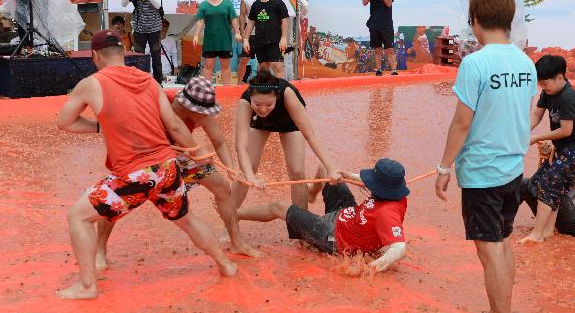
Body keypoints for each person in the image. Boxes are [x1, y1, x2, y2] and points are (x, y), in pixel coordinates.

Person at [55, 30, 237, 300]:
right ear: (123, 52)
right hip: (167, 166)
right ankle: (226, 264)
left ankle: (87, 286)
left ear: (95, 56)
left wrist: (99, 127)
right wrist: (198, 154)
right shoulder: (149, 80)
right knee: (187, 220)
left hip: (135, 173)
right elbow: (174, 125)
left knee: (78, 216)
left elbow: (65, 123)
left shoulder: (91, 83)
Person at [434, 0, 537, 313]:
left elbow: (462, 122)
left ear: (475, 21)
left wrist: (444, 167)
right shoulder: (525, 63)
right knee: (502, 243)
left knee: (490, 249)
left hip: (483, 173)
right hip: (512, 170)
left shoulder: (475, 63)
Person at [95, 75, 260, 269]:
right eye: (203, 112)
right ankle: (100, 250)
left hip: (183, 154)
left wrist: (231, 168)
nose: (207, 116)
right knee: (113, 199)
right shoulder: (157, 104)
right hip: (142, 156)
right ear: (189, 107)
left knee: (223, 188)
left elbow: (220, 142)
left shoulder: (202, 114)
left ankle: (236, 242)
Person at [238, 160, 409, 274]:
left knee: (278, 207)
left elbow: (399, 248)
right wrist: (348, 176)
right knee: (327, 170)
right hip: (346, 215)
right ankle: (312, 193)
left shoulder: (387, 213)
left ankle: (235, 214)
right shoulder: (394, 193)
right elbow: (372, 183)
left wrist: (371, 268)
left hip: (333, 237)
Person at [231, 69, 342, 211]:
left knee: (296, 172)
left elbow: (310, 136)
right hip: (260, 123)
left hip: (288, 120)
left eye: (269, 104)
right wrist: (250, 176)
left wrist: (331, 168)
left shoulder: (287, 94)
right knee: (246, 170)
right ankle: (229, 222)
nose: (263, 109)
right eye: (257, 104)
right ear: (251, 97)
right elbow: (240, 146)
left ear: (277, 97)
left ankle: (301, 225)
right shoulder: (245, 102)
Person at [520, 54, 575, 244]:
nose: (543, 88)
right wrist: (522, 132)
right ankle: (548, 230)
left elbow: (566, 130)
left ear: (560, 77)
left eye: (545, 83)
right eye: (541, 85)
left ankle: (537, 234)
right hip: (564, 149)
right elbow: (536, 114)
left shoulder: (568, 97)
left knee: (549, 184)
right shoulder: (549, 92)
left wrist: (537, 137)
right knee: (537, 181)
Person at [194, 0, 241, 85]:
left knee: (225, 66)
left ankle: (226, 89)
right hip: (210, 41)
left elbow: (234, 19)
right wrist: (196, 35)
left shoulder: (228, 3)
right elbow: (200, 21)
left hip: (224, 40)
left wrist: (237, 32)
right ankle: (207, 90)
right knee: (208, 66)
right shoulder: (204, 5)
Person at [122, 0, 164, 83]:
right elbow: (123, 4)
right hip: (139, 29)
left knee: (156, 57)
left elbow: (158, 5)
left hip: (154, 28)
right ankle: (140, 82)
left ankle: (158, 83)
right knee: (139, 58)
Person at [242, 0, 289, 79]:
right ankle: (265, 91)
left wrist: (284, 38)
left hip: (275, 41)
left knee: (277, 65)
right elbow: (250, 23)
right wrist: (245, 40)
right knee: (263, 67)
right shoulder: (256, 5)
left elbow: (285, 20)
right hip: (260, 41)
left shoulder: (278, 2)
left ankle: (282, 91)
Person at [362, 0, 397, 76]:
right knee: (377, 49)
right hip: (374, 25)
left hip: (387, 26)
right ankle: (379, 70)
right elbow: (364, 2)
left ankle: (394, 70)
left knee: (390, 49)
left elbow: (389, 3)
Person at [237, 0, 262, 84]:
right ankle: (238, 84)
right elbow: (242, 15)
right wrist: (242, 32)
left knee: (264, 61)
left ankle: (262, 84)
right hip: (250, 33)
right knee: (244, 60)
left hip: (264, 32)